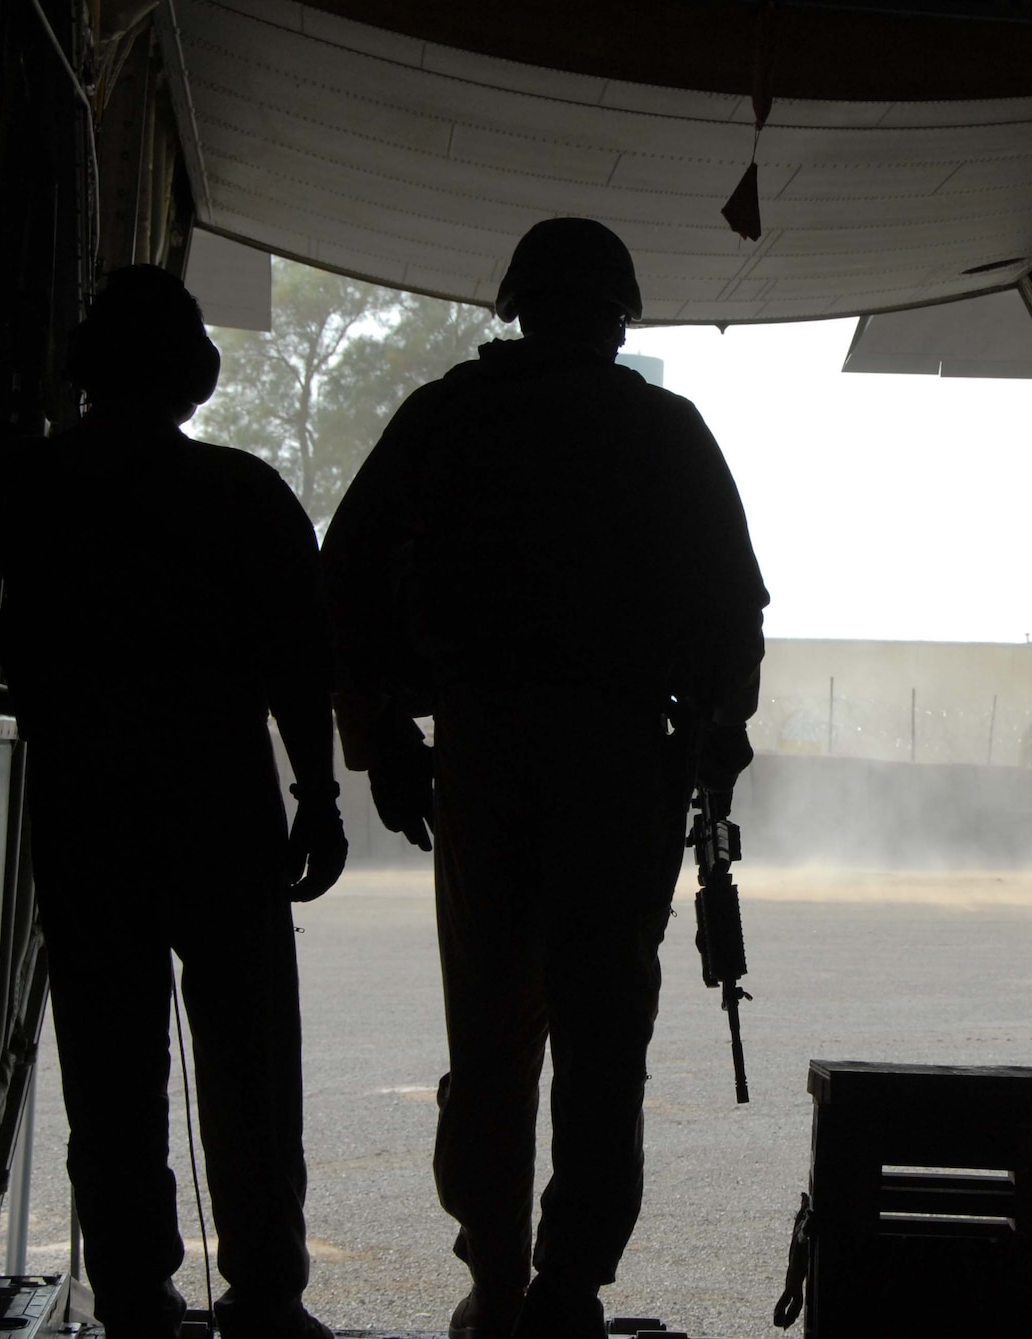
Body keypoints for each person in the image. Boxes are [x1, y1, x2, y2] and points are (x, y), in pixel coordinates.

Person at [322, 218, 768, 1339]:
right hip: (619, 764)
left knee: (490, 1035)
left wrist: (384, 740)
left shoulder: (448, 417)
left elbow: (347, 580)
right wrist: (713, 744)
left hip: (486, 752)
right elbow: (732, 614)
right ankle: (566, 1292)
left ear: (516, 307)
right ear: (620, 315)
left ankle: (498, 1279)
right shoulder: (665, 430)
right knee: (604, 1040)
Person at [0, 266, 347, 1339]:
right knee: (250, 1063)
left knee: (110, 1064)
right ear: (193, 376)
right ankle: (267, 1290)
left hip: (87, 805)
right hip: (223, 803)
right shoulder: (244, 493)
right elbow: (298, 663)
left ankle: (133, 1291)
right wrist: (318, 793)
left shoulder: (26, 486)